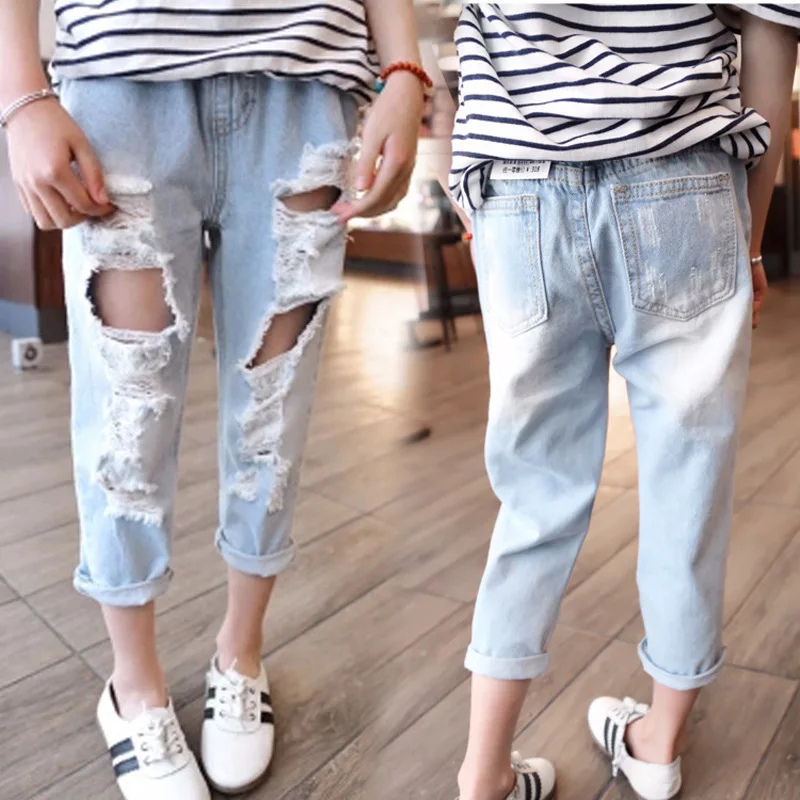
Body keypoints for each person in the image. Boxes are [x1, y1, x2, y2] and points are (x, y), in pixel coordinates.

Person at [0, 2, 427, 798]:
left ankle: (241, 653)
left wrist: (403, 69)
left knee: (275, 412)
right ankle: (133, 689)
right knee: (127, 419)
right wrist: (20, 90)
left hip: (306, 82)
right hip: (123, 78)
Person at [447, 5, 798, 800]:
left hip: (519, 182)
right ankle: (657, 744)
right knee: (687, 483)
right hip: (680, 174)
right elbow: (772, 30)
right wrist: (749, 241)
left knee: (534, 495)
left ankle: (484, 773)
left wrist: (474, 182)